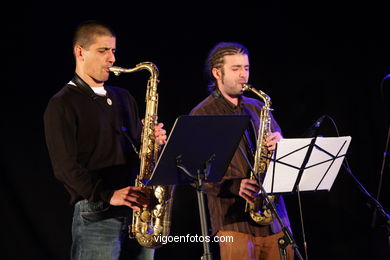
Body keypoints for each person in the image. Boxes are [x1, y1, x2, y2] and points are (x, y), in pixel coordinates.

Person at [44, 20, 167, 260]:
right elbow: (64, 168)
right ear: (80, 52)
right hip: (97, 213)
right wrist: (109, 195)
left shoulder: (123, 97)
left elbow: (132, 150)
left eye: (113, 51)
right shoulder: (62, 103)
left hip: (139, 212)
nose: (111, 58)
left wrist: (150, 142)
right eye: (103, 51)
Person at [190, 42, 293, 260]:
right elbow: (192, 170)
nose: (243, 75)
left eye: (246, 68)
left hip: (275, 220)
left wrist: (281, 145)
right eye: (236, 69)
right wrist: (234, 185)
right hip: (232, 222)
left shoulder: (258, 107)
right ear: (217, 73)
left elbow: (284, 155)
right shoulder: (202, 114)